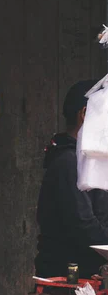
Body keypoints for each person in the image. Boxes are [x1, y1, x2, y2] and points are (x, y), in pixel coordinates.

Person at [35, 79, 108, 279]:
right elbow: (85, 227)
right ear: (84, 114)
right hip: (65, 277)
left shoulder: (90, 161)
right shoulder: (67, 162)